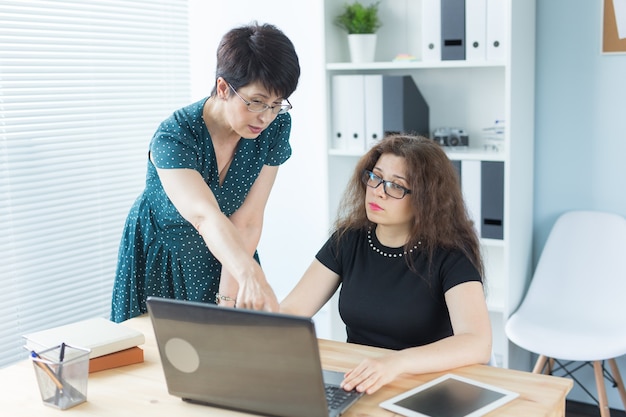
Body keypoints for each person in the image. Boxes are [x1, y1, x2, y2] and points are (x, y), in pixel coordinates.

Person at [110, 22, 301, 322]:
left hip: (230, 252)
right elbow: (203, 216)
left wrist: (228, 296)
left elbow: (248, 221)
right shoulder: (174, 136)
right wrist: (250, 274)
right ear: (224, 88)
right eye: (256, 102)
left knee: (230, 345)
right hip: (166, 257)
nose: (265, 117)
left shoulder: (274, 127)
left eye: (277, 104)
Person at [280, 134, 492, 394]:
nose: (378, 191)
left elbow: (477, 343)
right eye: (376, 177)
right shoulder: (349, 240)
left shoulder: (450, 255)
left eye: (396, 186)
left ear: (427, 199)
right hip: (360, 381)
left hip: (425, 384)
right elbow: (292, 310)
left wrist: (397, 362)